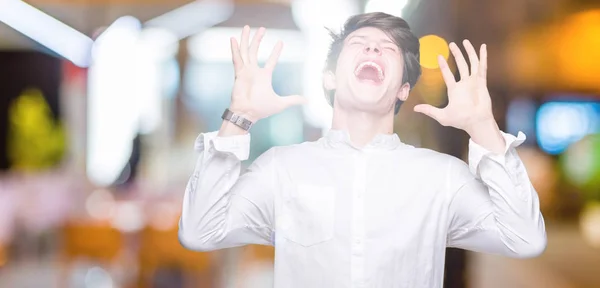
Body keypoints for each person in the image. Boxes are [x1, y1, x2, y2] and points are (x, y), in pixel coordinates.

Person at [178, 12, 546, 288]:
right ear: (330, 77)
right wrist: (238, 116)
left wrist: (483, 126)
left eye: (388, 48)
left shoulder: (441, 176)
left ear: (403, 88)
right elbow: (200, 231)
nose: (373, 47)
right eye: (359, 43)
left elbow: (525, 238)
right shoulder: (281, 168)